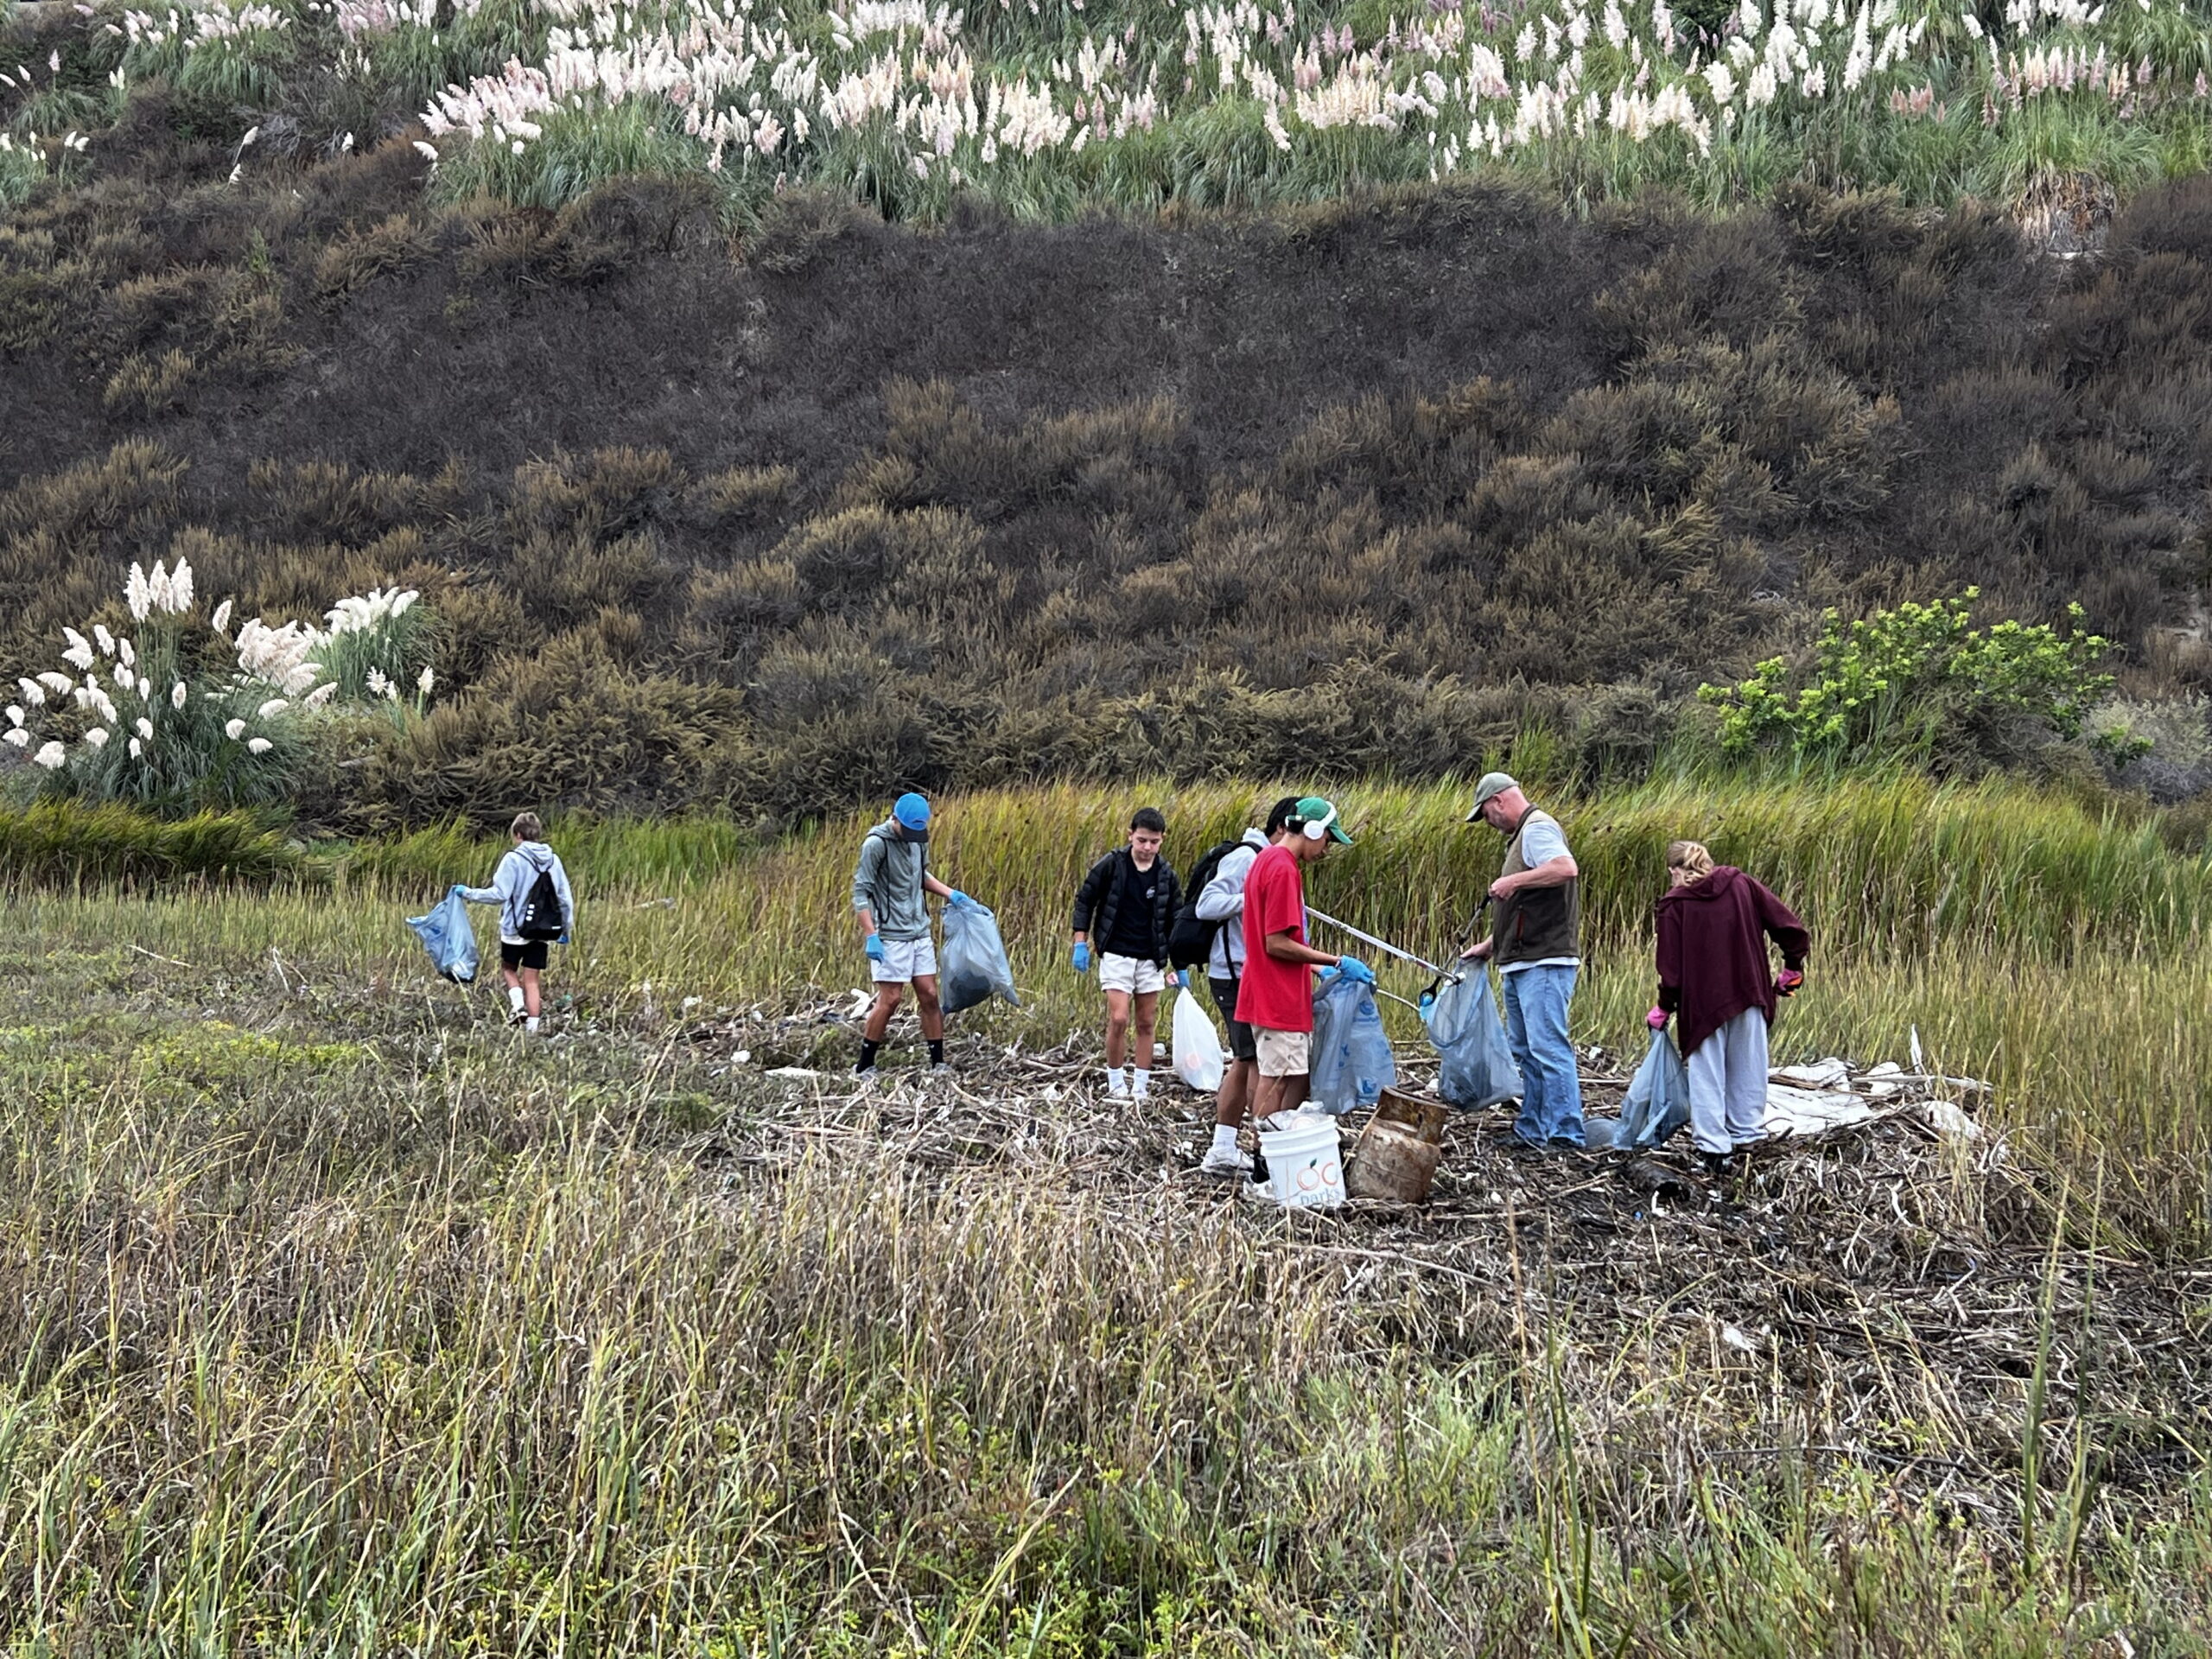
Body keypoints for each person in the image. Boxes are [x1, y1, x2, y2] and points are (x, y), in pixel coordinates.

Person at [1649, 839, 1810, 1175]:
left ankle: (1714, 1150)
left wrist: (1664, 1007)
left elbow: (1672, 973)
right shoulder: (1742, 884)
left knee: (1707, 1075)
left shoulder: (1674, 905)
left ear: (1675, 871)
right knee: (1749, 1067)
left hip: (1703, 1003)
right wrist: (1792, 967)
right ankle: (1747, 1137)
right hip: (1750, 991)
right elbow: (1790, 927)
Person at [1461, 772, 1584, 1150]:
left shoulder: (1537, 828)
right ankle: (1533, 1128)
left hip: (1544, 961)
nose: (1488, 823)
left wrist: (1512, 882)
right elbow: (1522, 910)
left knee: (1548, 1047)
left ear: (1498, 801)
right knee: (1526, 1049)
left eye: (1485, 814)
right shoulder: (1520, 838)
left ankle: (1566, 1132)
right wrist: (1489, 945)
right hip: (1520, 961)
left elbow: (1566, 868)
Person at [1235, 796, 1370, 1130]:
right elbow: (1277, 943)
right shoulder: (1282, 868)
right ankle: (1262, 1157)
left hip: (1275, 992)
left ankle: (1279, 1143)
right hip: (1275, 994)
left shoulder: (1267, 859)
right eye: (1327, 839)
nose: (1326, 849)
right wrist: (1336, 961)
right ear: (1311, 829)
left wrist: (1316, 968)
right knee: (1277, 1077)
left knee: (1293, 1075)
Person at [1191, 796, 1300, 1177]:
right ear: (1284, 827)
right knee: (1255, 1061)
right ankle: (1263, 1154)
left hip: (1247, 970)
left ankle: (1225, 1148)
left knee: (1244, 1059)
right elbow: (1207, 905)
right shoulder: (1247, 857)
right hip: (1234, 971)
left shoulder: (1273, 860)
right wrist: (1254, 898)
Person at [852, 791, 979, 1080]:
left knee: (930, 995)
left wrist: (952, 894)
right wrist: (871, 935)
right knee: (891, 999)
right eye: (908, 829)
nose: (913, 835)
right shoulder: (876, 844)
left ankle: (938, 1063)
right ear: (894, 818)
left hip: (918, 930)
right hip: (890, 935)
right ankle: (864, 1065)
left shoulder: (918, 838)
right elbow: (861, 892)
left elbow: (921, 875)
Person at [1070, 807, 1185, 1100]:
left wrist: (1180, 963)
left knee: (1146, 1022)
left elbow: (1176, 920)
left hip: (1150, 957)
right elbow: (1085, 900)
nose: (1147, 848)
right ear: (1130, 835)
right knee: (1119, 1018)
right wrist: (1080, 942)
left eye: (1154, 842)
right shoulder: (1112, 865)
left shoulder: (1166, 876)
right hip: (1117, 953)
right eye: (1142, 840)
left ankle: (1140, 1086)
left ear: (1162, 840)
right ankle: (1115, 1081)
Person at [455, 810, 574, 1035]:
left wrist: (468, 893)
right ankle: (533, 1031)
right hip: (543, 930)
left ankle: (518, 1007)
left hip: (514, 929)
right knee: (532, 979)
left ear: (518, 834)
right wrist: (565, 929)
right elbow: (565, 899)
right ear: (537, 834)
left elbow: (499, 894)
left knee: (509, 969)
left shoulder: (513, 859)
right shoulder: (554, 860)